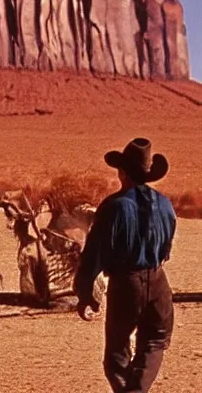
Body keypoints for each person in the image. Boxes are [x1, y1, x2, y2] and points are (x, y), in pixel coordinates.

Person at [74, 138, 176, 393]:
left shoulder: (114, 206)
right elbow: (167, 248)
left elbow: (94, 252)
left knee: (117, 354)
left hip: (126, 283)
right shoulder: (164, 203)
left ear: (122, 172)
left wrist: (85, 292)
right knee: (154, 342)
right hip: (158, 279)